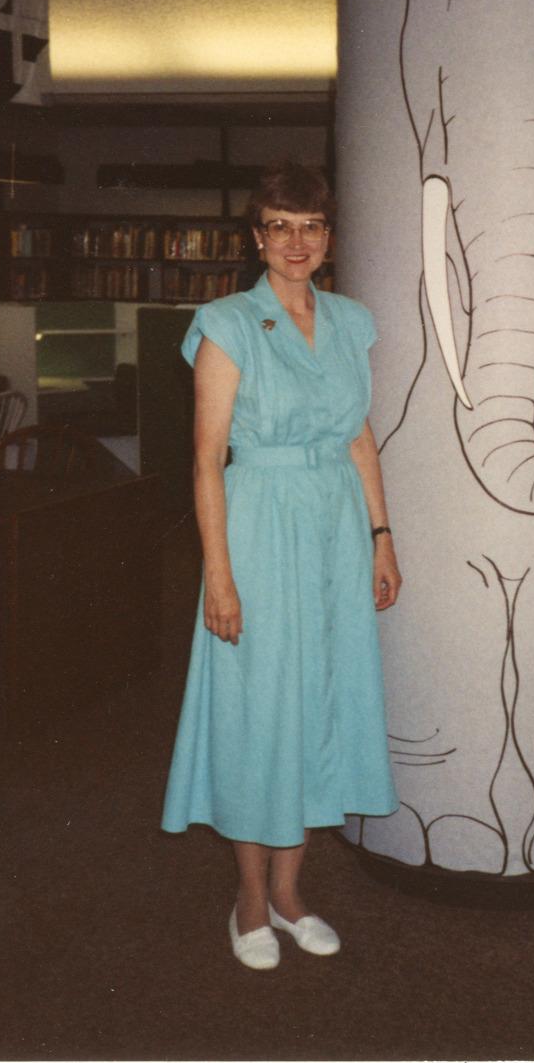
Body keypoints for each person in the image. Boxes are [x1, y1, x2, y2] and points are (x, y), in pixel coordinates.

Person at [161, 163, 402, 970]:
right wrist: (220, 577)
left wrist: (381, 533)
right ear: (257, 236)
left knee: (321, 698)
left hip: (335, 523)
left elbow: (358, 434)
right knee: (260, 707)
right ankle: (252, 900)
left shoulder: (349, 320)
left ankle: (295, 894)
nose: (297, 242)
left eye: (312, 226)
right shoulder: (228, 323)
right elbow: (205, 461)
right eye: (281, 226)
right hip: (260, 525)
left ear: (328, 239)